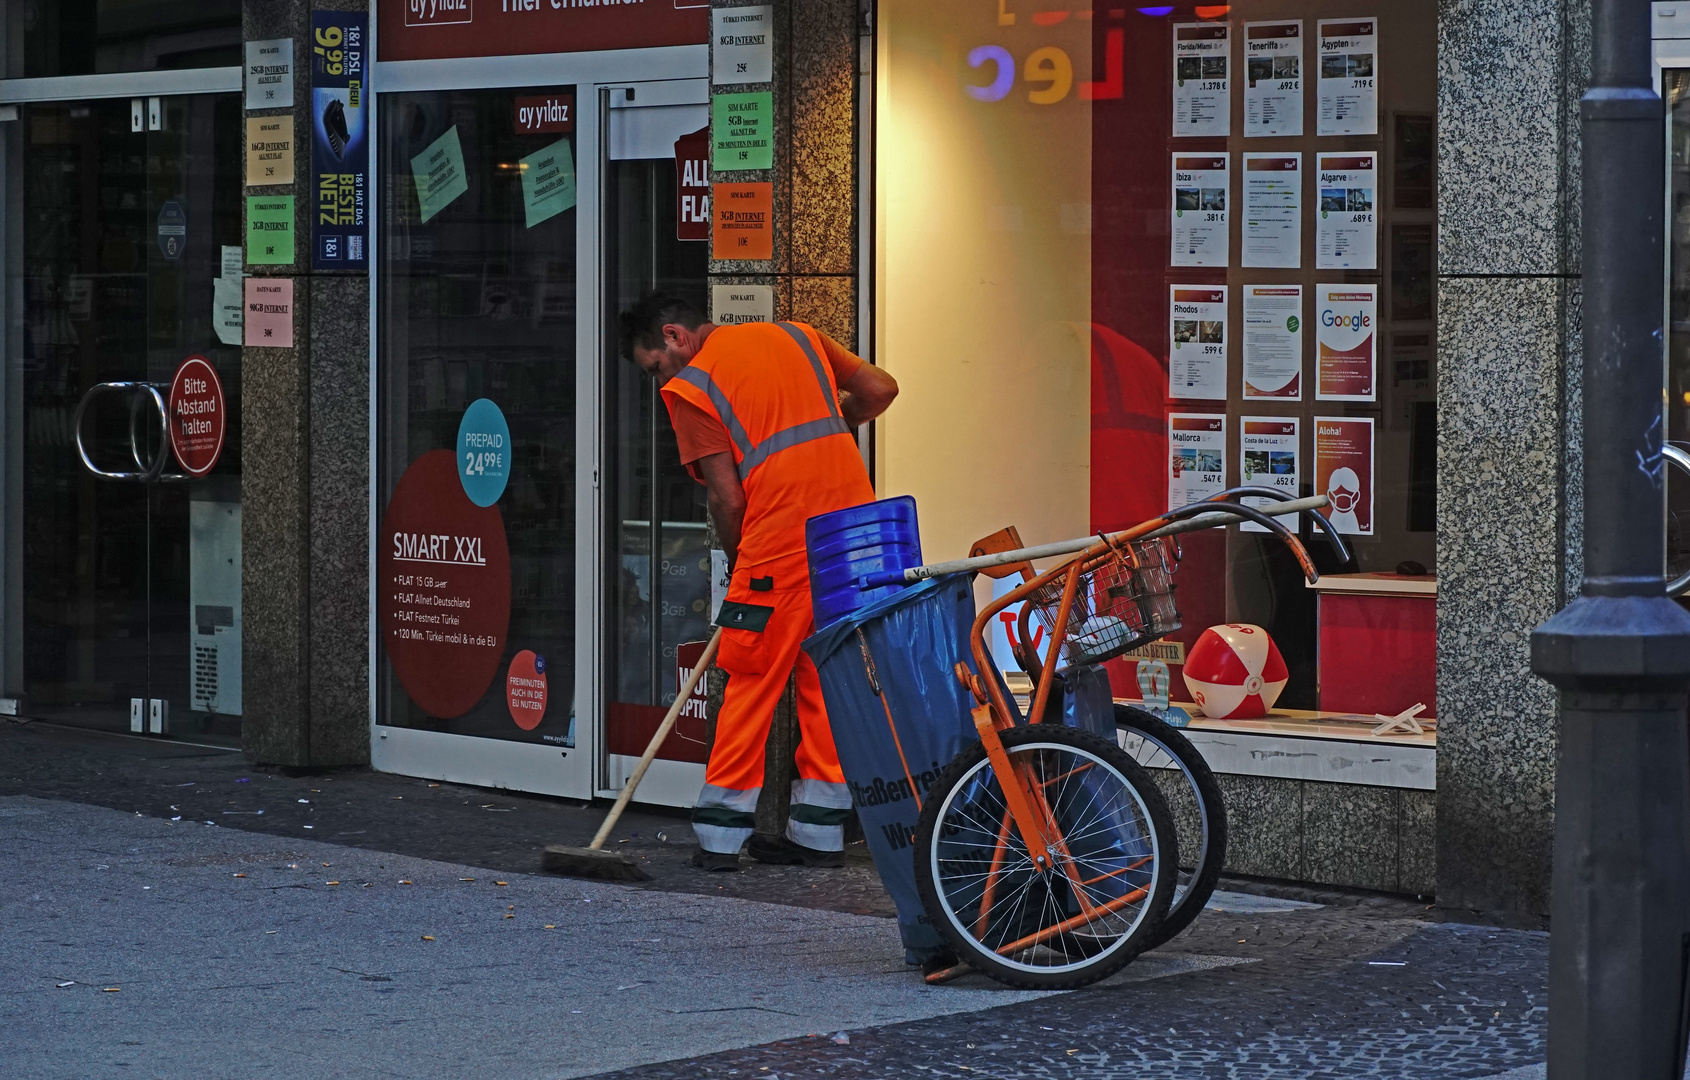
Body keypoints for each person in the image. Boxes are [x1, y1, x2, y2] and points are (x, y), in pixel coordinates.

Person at [620, 294, 899, 871]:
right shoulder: (797, 335)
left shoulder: (692, 388)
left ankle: (720, 837)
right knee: (827, 679)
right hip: (851, 531)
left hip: (778, 541)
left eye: (654, 366)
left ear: (675, 336)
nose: (659, 380)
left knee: (750, 680)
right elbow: (880, 390)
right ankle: (819, 833)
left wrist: (739, 559)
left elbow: (726, 496)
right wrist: (831, 428)